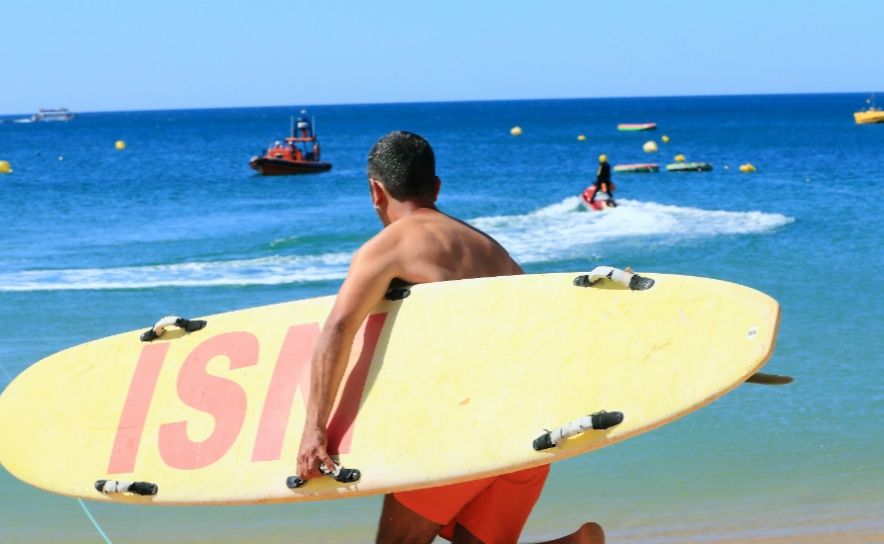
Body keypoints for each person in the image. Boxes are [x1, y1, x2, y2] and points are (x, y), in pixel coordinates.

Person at [296, 131, 605, 544]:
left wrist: (315, 429)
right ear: (436, 187)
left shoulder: (389, 246)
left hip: (460, 430)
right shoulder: (491, 249)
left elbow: (339, 328)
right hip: (528, 429)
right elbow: (542, 327)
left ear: (375, 191)